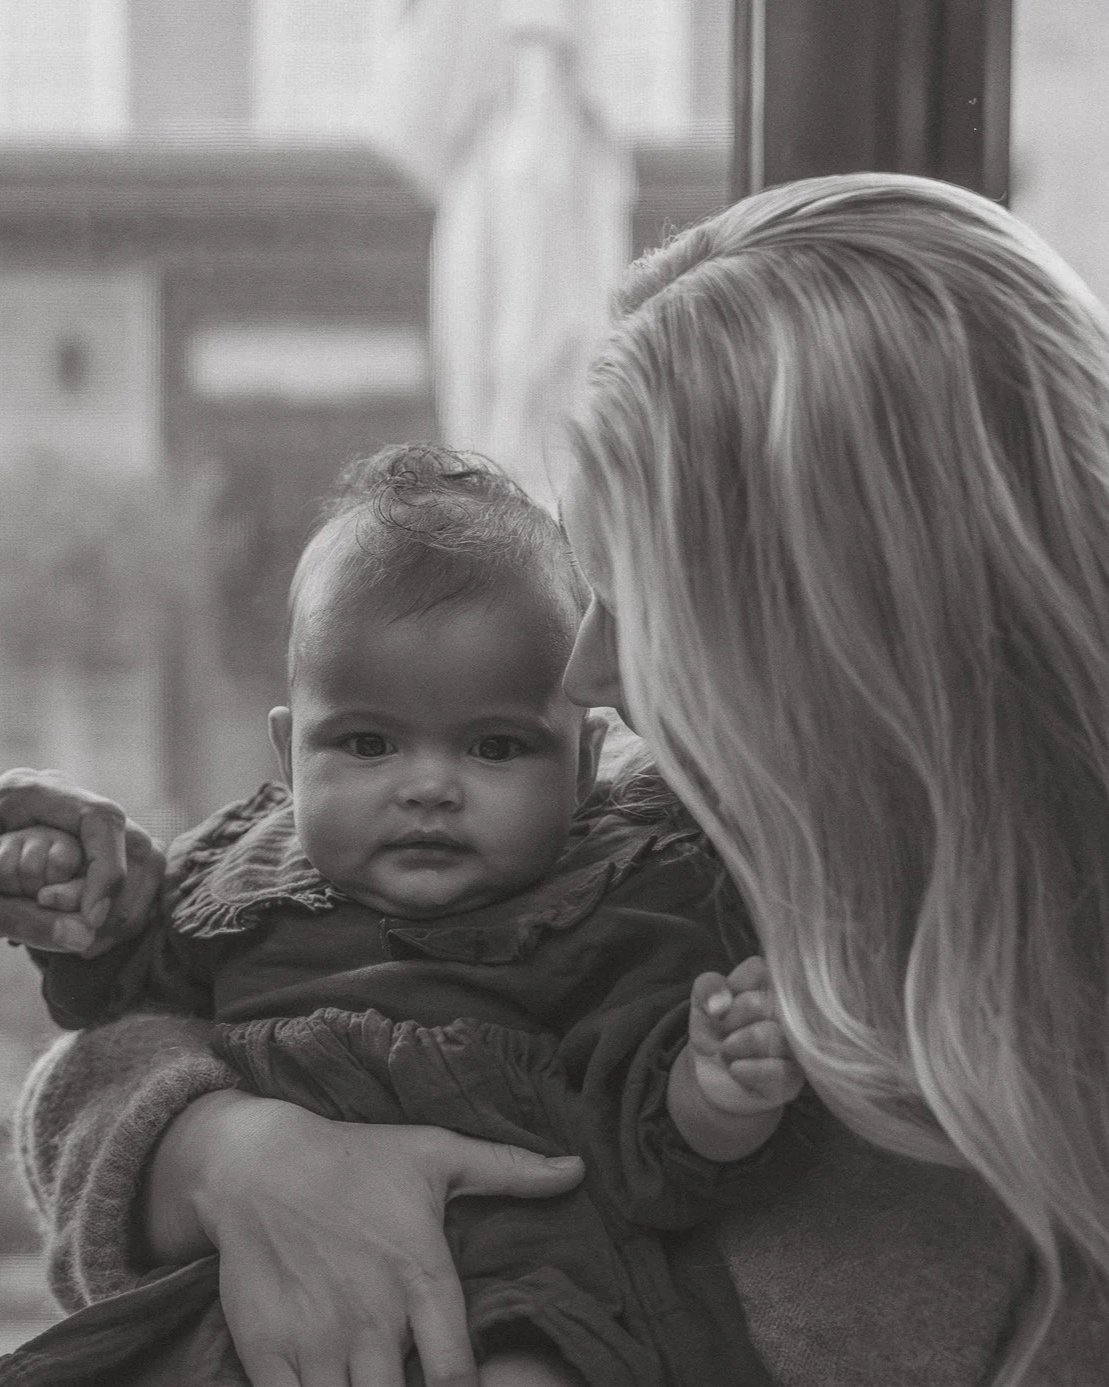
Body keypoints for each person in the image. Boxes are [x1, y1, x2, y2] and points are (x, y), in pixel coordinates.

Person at [3, 171, 1108, 1386]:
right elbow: (92, 1071)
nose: (583, 671)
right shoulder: (651, 813)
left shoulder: (699, 903)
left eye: (644, 606)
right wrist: (229, 1155)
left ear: (842, 635)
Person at [0, 443, 805, 1387]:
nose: (429, 787)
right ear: (290, 751)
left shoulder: (624, 891)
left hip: (524, 1284)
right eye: (368, 741)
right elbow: (124, 1001)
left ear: (583, 766)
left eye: (495, 745)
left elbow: (651, 1132)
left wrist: (719, 1089)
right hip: (239, 1295)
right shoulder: (234, 869)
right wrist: (94, 893)